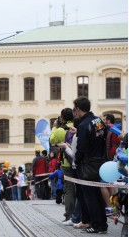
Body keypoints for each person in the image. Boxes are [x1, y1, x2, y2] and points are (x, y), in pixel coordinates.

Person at [74, 96, 108, 234]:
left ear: (78, 109)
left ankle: (95, 224)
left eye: (74, 108)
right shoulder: (98, 120)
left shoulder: (82, 125)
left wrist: (77, 161)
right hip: (100, 162)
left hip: (87, 165)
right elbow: (102, 139)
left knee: (90, 197)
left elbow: (81, 148)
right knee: (98, 195)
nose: (74, 111)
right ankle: (103, 225)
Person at [50, 108, 74, 223]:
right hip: (79, 162)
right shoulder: (77, 126)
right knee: (80, 189)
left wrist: (55, 126)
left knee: (69, 189)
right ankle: (79, 215)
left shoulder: (60, 130)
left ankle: (69, 215)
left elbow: (52, 140)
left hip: (67, 163)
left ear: (62, 118)